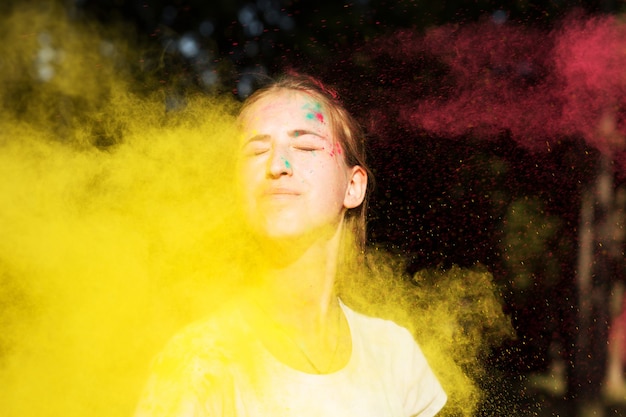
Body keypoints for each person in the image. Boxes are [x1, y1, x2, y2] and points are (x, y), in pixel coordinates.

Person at [134, 74, 447, 417]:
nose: (277, 166)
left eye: (306, 147)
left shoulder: (394, 354)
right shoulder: (198, 361)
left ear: (353, 186)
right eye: (256, 150)